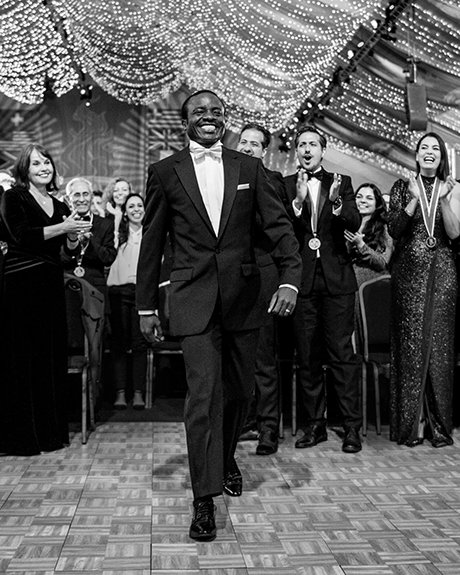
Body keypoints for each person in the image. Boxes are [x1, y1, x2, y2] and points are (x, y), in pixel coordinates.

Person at [136, 90, 301, 542]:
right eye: (199, 111)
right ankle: (204, 499)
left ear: (224, 120)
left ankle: (225, 457)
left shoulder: (249, 168)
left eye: (216, 111)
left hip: (245, 299)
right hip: (193, 299)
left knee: (240, 392)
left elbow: (279, 228)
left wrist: (290, 280)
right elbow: (152, 242)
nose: (209, 117)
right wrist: (146, 305)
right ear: (184, 121)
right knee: (203, 396)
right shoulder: (164, 172)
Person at [0, 143, 92, 455]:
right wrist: (63, 227)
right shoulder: (13, 197)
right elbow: (21, 235)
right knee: (21, 358)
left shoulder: (60, 204)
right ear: (24, 169)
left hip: (50, 284)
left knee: (48, 357)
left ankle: (49, 434)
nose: (44, 168)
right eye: (37, 163)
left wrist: (72, 236)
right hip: (20, 283)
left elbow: (65, 253)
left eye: (47, 162)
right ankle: (21, 437)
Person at [282, 125, 362, 453]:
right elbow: (281, 228)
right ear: (296, 151)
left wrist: (338, 203)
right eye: (301, 144)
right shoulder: (286, 185)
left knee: (342, 355)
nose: (306, 149)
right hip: (302, 280)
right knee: (308, 356)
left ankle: (351, 426)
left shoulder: (342, 182)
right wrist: (298, 202)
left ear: (322, 150)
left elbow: (354, 221)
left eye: (312, 144)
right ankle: (315, 425)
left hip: (337, 279)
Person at [388, 132, 460, 448]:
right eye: (424, 148)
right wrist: (415, 198)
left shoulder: (452, 188)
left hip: (442, 271)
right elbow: (394, 229)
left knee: (440, 347)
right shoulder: (402, 186)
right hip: (408, 274)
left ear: (441, 158)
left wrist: (443, 199)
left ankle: (439, 427)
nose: (429, 153)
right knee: (410, 347)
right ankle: (410, 427)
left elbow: (454, 234)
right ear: (417, 156)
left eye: (435, 149)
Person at [236, 122, 286, 455]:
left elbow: (276, 227)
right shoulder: (223, 176)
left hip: (263, 274)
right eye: (244, 141)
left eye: (255, 144)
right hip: (230, 277)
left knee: (264, 356)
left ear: (264, 150)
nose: (248, 147)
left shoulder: (273, 180)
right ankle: (244, 421)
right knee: (236, 358)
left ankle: (268, 427)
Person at [107, 193, 148, 410]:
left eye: (139, 205)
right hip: (118, 291)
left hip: (141, 292)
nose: (136, 209)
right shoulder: (118, 232)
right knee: (119, 343)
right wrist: (116, 220)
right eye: (131, 206)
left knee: (139, 344)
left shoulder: (149, 233)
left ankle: (139, 392)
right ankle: (121, 392)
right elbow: (109, 252)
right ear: (125, 211)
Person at [62, 177, 116, 296]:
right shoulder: (61, 224)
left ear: (91, 197)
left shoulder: (105, 224)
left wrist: (89, 240)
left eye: (85, 194)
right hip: (65, 286)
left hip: (95, 290)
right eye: (77, 195)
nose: (82, 199)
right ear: (68, 198)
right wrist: (71, 238)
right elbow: (57, 257)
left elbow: (108, 259)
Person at [345, 183, 393, 286]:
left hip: (369, 286)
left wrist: (361, 245)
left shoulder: (383, 229)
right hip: (343, 283)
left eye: (369, 198)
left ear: (377, 204)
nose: (362, 201)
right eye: (359, 197)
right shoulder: (345, 224)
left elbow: (382, 263)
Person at [102, 177, 133, 247]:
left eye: (124, 190)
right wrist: (117, 217)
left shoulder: (134, 214)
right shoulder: (106, 216)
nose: (120, 193)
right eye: (115, 190)